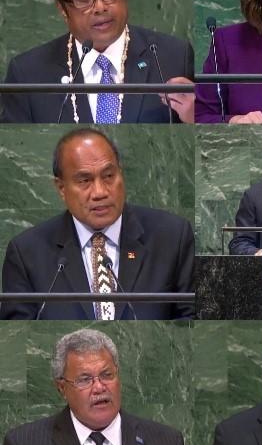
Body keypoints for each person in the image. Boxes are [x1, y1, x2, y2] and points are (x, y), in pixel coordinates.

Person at [0, 128, 194, 320]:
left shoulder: (172, 236)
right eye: (85, 180)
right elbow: (19, 333)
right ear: (61, 188)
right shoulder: (26, 254)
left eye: (109, 176)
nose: (100, 192)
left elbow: (193, 319)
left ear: (120, 174)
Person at [1, 0, 195, 124]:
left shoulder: (174, 56)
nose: (100, 7)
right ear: (62, 9)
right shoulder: (27, 73)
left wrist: (195, 117)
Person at [0, 328, 194, 445]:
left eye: (107, 375)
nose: (99, 387)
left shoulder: (167, 444)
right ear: (61, 388)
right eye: (85, 379)